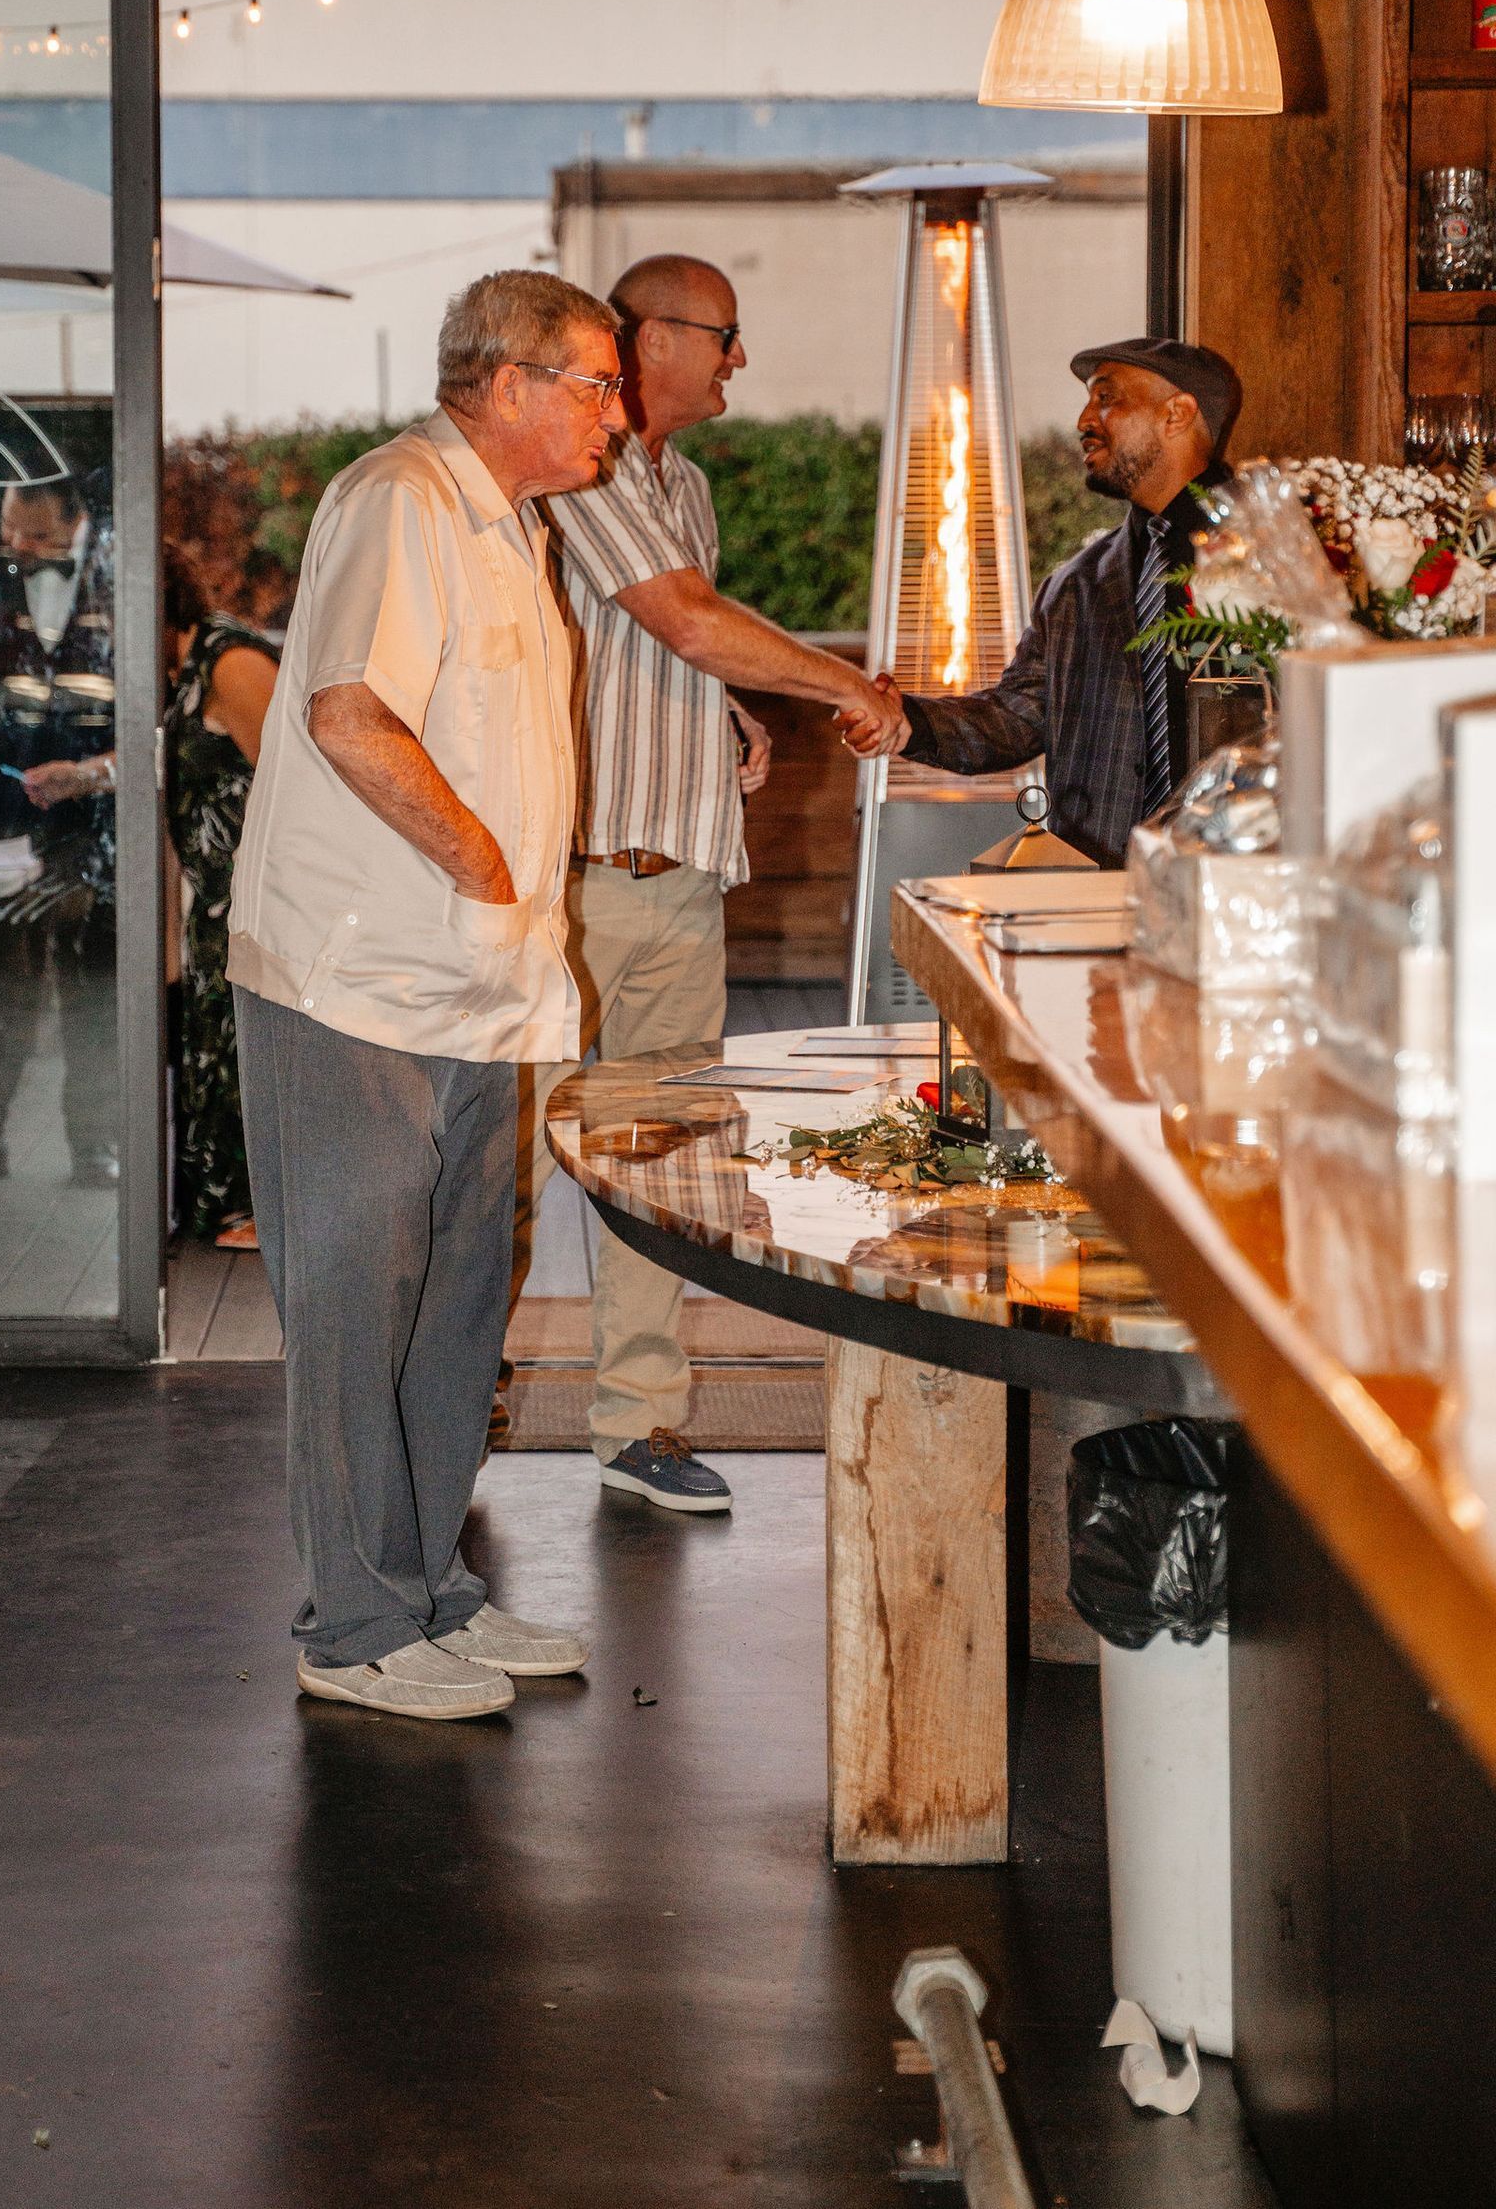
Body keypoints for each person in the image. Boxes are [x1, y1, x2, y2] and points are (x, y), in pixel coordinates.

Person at [228, 268, 624, 1723]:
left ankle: (428, 1586)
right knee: (356, 1307)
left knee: (459, 1303)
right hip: (359, 983)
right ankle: (351, 1623)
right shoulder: (399, 497)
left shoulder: (515, 527)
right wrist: (476, 854)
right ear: (507, 380)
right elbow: (345, 709)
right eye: (596, 381)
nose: (616, 412)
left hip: (475, 989)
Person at [520, 253, 899, 1508]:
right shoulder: (595, 463)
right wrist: (846, 683)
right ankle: (451, 1411)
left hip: (673, 881)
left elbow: (658, 643)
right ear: (650, 339)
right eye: (726, 334)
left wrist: (727, 710)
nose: (742, 359)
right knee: (509, 1167)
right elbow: (680, 615)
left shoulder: (677, 480)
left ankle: (638, 1423)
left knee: (658, 1163)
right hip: (576, 886)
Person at [844, 336, 1243, 865]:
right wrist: (906, 720)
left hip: (1242, 880)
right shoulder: (1076, 586)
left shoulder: (1292, 554)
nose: (1084, 419)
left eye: (1107, 397)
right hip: (1098, 888)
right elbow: (1014, 720)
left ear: (1177, 413)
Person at [0, 472, 120, 1188]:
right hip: (6, 811)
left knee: (95, 990)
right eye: (10, 529)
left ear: (78, 521)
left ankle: (94, 1145)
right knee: (1, 987)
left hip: (100, 821)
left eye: (34, 532)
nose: (16, 545)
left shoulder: (122, 576)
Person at [162, 540, 279, 1244]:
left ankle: (260, 1210)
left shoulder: (231, 662)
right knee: (212, 1045)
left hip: (252, 901)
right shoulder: (180, 665)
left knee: (245, 1048)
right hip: (212, 902)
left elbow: (298, 782)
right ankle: (228, 1207)